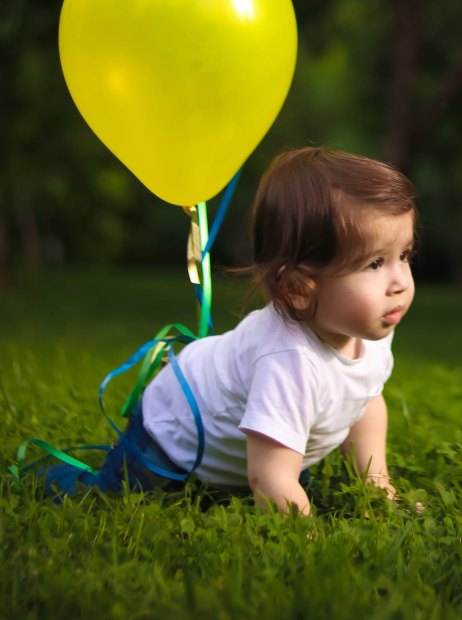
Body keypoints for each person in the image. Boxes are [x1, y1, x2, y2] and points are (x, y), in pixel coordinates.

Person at [41, 147, 417, 514]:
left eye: (404, 255)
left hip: (235, 448)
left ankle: (228, 483)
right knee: (107, 497)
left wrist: (375, 484)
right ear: (298, 289)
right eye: (374, 264)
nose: (399, 280)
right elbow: (270, 480)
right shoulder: (289, 360)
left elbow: (365, 397)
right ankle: (51, 480)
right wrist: (310, 544)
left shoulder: (371, 331)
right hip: (173, 431)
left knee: (263, 479)